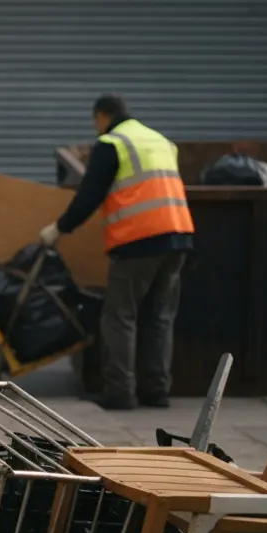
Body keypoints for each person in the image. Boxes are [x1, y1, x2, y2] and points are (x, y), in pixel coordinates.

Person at [38, 94, 194, 411]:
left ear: (101, 116)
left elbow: (89, 195)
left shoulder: (113, 143)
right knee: (159, 317)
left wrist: (60, 228)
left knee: (120, 317)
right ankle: (156, 391)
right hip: (178, 235)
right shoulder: (160, 140)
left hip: (139, 240)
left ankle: (120, 393)